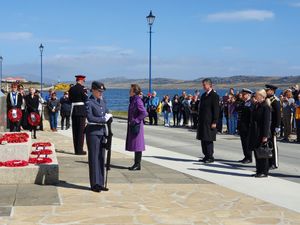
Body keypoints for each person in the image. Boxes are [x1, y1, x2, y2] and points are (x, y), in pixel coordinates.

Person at [85, 81, 112, 192]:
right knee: (94, 158)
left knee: (101, 157)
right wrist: (103, 119)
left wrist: (109, 117)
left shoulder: (103, 101)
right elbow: (90, 118)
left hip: (102, 132)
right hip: (93, 133)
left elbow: (107, 113)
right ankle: (94, 183)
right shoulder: (89, 102)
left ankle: (100, 182)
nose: (101, 93)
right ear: (94, 90)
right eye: (99, 91)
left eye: (102, 91)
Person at [197, 78, 219, 163]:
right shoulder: (203, 95)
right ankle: (205, 155)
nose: (203, 86)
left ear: (210, 85)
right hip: (203, 121)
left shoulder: (214, 96)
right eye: (203, 85)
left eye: (204, 85)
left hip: (210, 121)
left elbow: (216, 110)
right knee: (203, 138)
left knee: (208, 139)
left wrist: (215, 121)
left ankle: (210, 156)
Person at [249, 89, 271, 178]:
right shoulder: (257, 105)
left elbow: (266, 122)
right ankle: (259, 170)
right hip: (255, 132)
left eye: (257, 96)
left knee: (262, 152)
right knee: (257, 152)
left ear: (262, 97)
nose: (255, 97)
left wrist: (265, 136)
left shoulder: (266, 107)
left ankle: (264, 171)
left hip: (261, 133)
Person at [126, 84, 148, 170]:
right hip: (133, 125)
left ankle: (137, 164)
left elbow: (144, 113)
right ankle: (137, 164)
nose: (129, 92)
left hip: (137, 126)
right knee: (136, 145)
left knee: (138, 145)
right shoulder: (133, 100)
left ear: (134, 92)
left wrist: (136, 121)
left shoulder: (138, 100)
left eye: (130, 90)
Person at [69, 75, 88, 155]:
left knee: (75, 131)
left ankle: (76, 149)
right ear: (81, 80)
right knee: (81, 131)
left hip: (74, 110)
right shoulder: (82, 89)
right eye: (83, 81)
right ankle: (80, 150)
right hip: (81, 110)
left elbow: (70, 99)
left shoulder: (71, 89)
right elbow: (85, 98)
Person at [265, 84, 281, 169]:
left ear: (272, 91)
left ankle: (275, 163)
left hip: (273, 126)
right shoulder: (267, 99)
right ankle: (269, 162)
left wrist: (277, 126)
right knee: (269, 145)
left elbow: (278, 115)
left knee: (273, 145)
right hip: (268, 126)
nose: (266, 91)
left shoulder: (275, 100)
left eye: (268, 90)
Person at [238, 88, 253, 164]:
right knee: (243, 142)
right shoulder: (243, 102)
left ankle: (249, 157)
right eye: (242, 94)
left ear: (248, 95)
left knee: (247, 142)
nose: (243, 96)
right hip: (242, 125)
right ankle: (246, 156)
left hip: (248, 126)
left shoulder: (251, 103)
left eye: (244, 94)